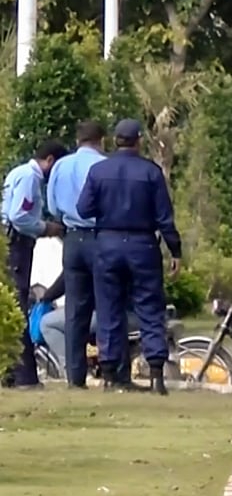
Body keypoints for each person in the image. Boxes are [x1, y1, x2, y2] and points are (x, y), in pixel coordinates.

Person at [77, 119, 181, 395]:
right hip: (142, 244)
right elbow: (164, 218)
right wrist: (175, 250)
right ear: (138, 141)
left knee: (109, 309)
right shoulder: (151, 172)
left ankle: (111, 374)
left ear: (115, 140)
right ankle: (156, 373)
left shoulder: (98, 171)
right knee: (149, 307)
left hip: (108, 243)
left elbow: (83, 208)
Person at [47, 120, 111, 390]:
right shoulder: (104, 166)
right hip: (100, 236)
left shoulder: (61, 165)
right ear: (102, 140)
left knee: (75, 308)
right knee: (107, 304)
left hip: (72, 239)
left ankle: (76, 377)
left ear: (78, 140)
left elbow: (52, 207)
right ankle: (111, 371)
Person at [2, 139, 68, 390]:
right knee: (18, 304)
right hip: (17, 243)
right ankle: (24, 376)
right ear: (50, 160)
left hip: (10, 240)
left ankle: (9, 371)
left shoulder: (17, 172)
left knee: (11, 302)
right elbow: (20, 217)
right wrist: (45, 228)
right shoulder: (30, 178)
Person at [33, 272, 137, 385]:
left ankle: (72, 371)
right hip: (132, 314)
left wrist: (46, 297)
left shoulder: (93, 256)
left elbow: (67, 278)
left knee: (47, 323)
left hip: (109, 315)